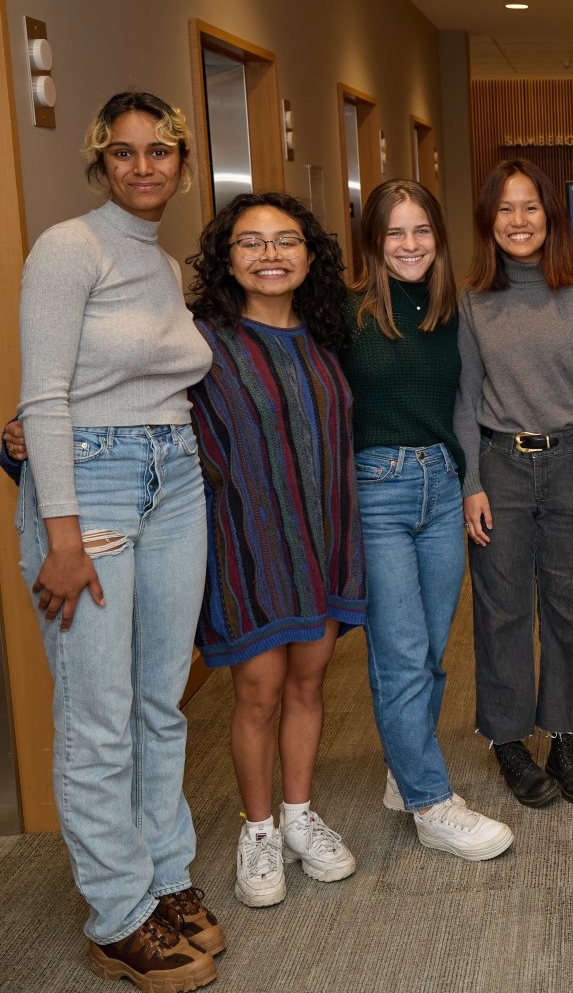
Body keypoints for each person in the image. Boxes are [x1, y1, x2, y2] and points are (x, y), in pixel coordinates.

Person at [16, 91, 218, 993]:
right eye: (127, 153)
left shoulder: (167, 264)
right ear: (102, 161)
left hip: (174, 475)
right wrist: (61, 534)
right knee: (97, 717)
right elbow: (45, 396)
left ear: (181, 161)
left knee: (160, 700)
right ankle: (117, 914)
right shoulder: (71, 246)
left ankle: (165, 878)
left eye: (162, 152)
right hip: (90, 488)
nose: (145, 168)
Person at [181, 193, 365, 908]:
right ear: (227, 260)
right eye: (251, 243)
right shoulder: (200, 342)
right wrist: (27, 435)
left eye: (286, 241)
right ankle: (257, 831)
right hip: (249, 548)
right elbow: (122, 393)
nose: (270, 255)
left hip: (322, 541)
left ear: (310, 255)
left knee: (309, 685)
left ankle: (298, 814)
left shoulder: (328, 337)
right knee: (257, 692)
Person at [342, 179, 514, 860]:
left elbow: (466, 407)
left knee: (431, 653)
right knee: (402, 654)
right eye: (394, 233)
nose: (409, 245)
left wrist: (470, 484)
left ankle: (400, 770)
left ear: (439, 239)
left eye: (421, 231)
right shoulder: (347, 312)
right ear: (373, 241)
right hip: (376, 493)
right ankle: (429, 800)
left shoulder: (453, 310)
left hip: (442, 490)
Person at [456, 158, 573, 807]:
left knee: (572, 607)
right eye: (504, 209)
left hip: (571, 466)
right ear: (488, 220)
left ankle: (563, 734)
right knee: (501, 612)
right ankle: (507, 740)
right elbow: (465, 398)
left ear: (550, 216)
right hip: (498, 466)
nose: (518, 221)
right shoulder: (473, 300)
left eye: (530, 207)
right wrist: (471, 481)